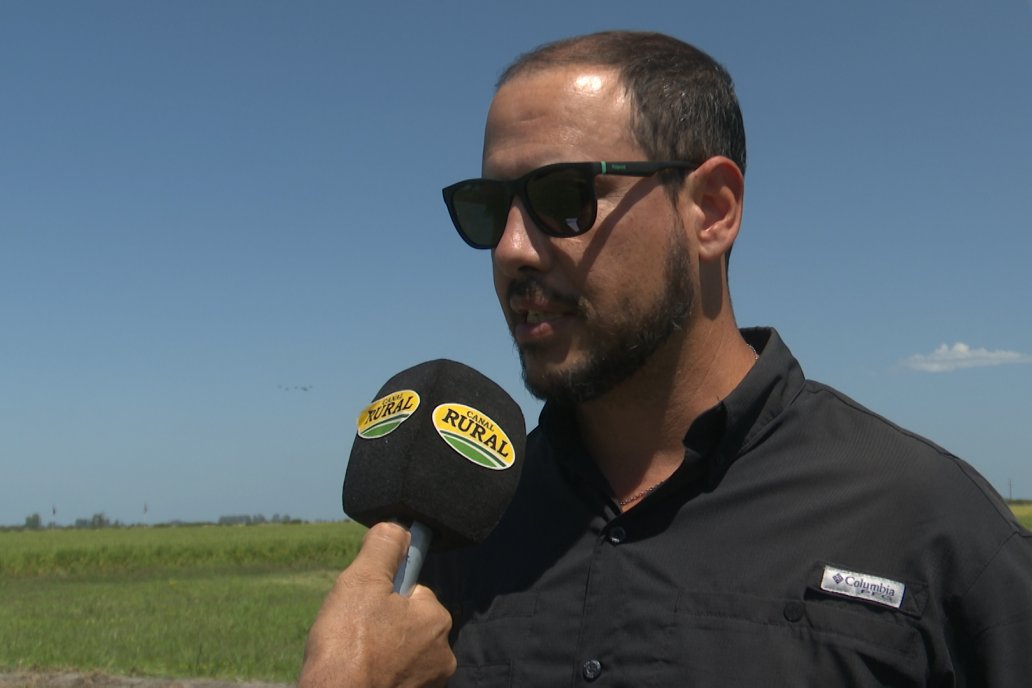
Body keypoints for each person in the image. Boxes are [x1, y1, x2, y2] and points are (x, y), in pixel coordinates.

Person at [301, 31, 1032, 687]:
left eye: (564, 197)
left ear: (712, 209)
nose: (512, 249)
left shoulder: (929, 527)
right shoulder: (466, 538)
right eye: (491, 209)